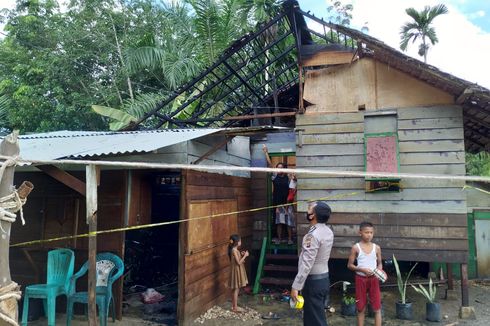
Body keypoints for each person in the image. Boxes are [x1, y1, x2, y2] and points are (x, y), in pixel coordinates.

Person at [291, 201, 334, 326]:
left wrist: (296, 286)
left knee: (315, 321)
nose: (307, 211)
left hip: (313, 282)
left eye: (309, 209)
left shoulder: (313, 235)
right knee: (315, 317)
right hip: (324, 279)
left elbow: (307, 263)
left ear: (313, 215)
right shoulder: (328, 231)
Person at [347, 221, 383, 326]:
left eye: (371, 232)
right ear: (360, 233)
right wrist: (362, 270)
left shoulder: (377, 248)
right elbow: (349, 265)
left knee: (377, 308)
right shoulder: (356, 247)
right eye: (366, 232)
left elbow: (380, 263)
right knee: (361, 308)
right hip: (360, 279)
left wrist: (379, 271)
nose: (369, 235)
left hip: (374, 279)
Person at [262, 144, 295, 245]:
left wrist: (293, 177)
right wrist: (266, 152)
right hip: (278, 204)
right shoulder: (275, 177)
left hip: (288, 203)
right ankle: (279, 239)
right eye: (278, 168)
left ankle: (289, 239)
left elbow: (293, 188)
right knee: (279, 223)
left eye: (281, 168)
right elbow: (270, 165)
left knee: (289, 223)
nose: (279, 169)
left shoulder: (288, 178)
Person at [228, 234, 249, 313]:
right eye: (240, 240)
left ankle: (234, 306)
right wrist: (246, 255)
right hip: (236, 271)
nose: (241, 242)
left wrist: (242, 255)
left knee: (236, 289)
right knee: (236, 289)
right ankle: (235, 308)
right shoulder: (234, 250)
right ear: (236, 242)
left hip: (237, 270)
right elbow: (239, 262)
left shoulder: (236, 250)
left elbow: (241, 261)